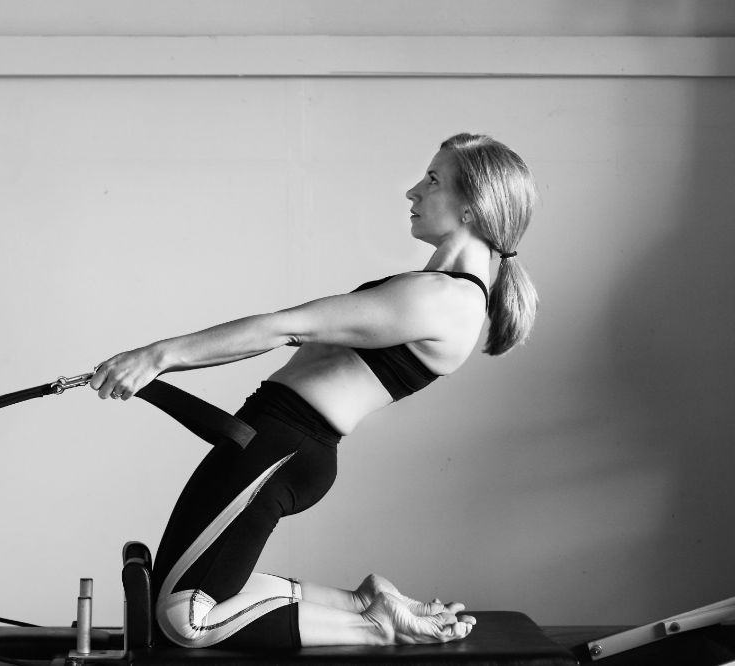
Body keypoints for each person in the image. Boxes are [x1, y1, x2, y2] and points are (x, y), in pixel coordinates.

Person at [88, 133, 538, 649]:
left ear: (473, 206)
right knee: (168, 600)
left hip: (283, 447)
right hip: (267, 440)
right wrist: (153, 370)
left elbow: (285, 327)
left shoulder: (445, 300)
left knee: (185, 620)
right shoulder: (435, 289)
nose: (412, 192)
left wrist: (156, 356)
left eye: (433, 179)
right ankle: (363, 604)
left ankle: (376, 625)